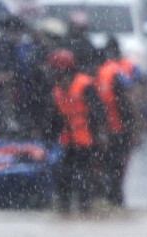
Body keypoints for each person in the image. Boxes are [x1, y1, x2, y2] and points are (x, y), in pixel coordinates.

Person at [47, 49, 106, 214]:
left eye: (54, 69)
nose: (52, 73)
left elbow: (99, 112)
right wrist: (48, 140)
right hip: (69, 141)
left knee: (84, 178)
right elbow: (55, 119)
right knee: (63, 177)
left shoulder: (85, 85)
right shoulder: (57, 90)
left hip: (87, 140)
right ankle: (65, 211)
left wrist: (101, 136)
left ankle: (86, 210)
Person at [96, 37, 137, 207]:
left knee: (107, 165)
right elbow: (126, 100)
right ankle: (115, 198)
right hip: (118, 127)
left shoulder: (100, 72)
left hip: (105, 128)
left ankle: (108, 197)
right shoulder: (118, 72)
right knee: (117, 166)